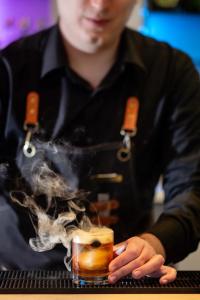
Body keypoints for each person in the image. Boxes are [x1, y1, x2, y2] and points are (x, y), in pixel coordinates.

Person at [0, 0, 200, 285]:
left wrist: (156, 243)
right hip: (19, 280)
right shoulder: (9, 71)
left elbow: (192, 188)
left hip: (127, 280)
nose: (100, 5)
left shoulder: (172, 73)